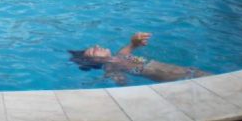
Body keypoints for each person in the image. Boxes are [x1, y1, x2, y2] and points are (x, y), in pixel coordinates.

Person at [69, 32, 209, 85]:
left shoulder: (120, 55)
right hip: (178, 79)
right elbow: (122, 84)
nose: (97, 46)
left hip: (188, 71)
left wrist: (136, 40)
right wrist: (118, 78)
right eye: (94, 50)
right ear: (93, 61)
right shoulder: (110, 66)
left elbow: (132, 45)